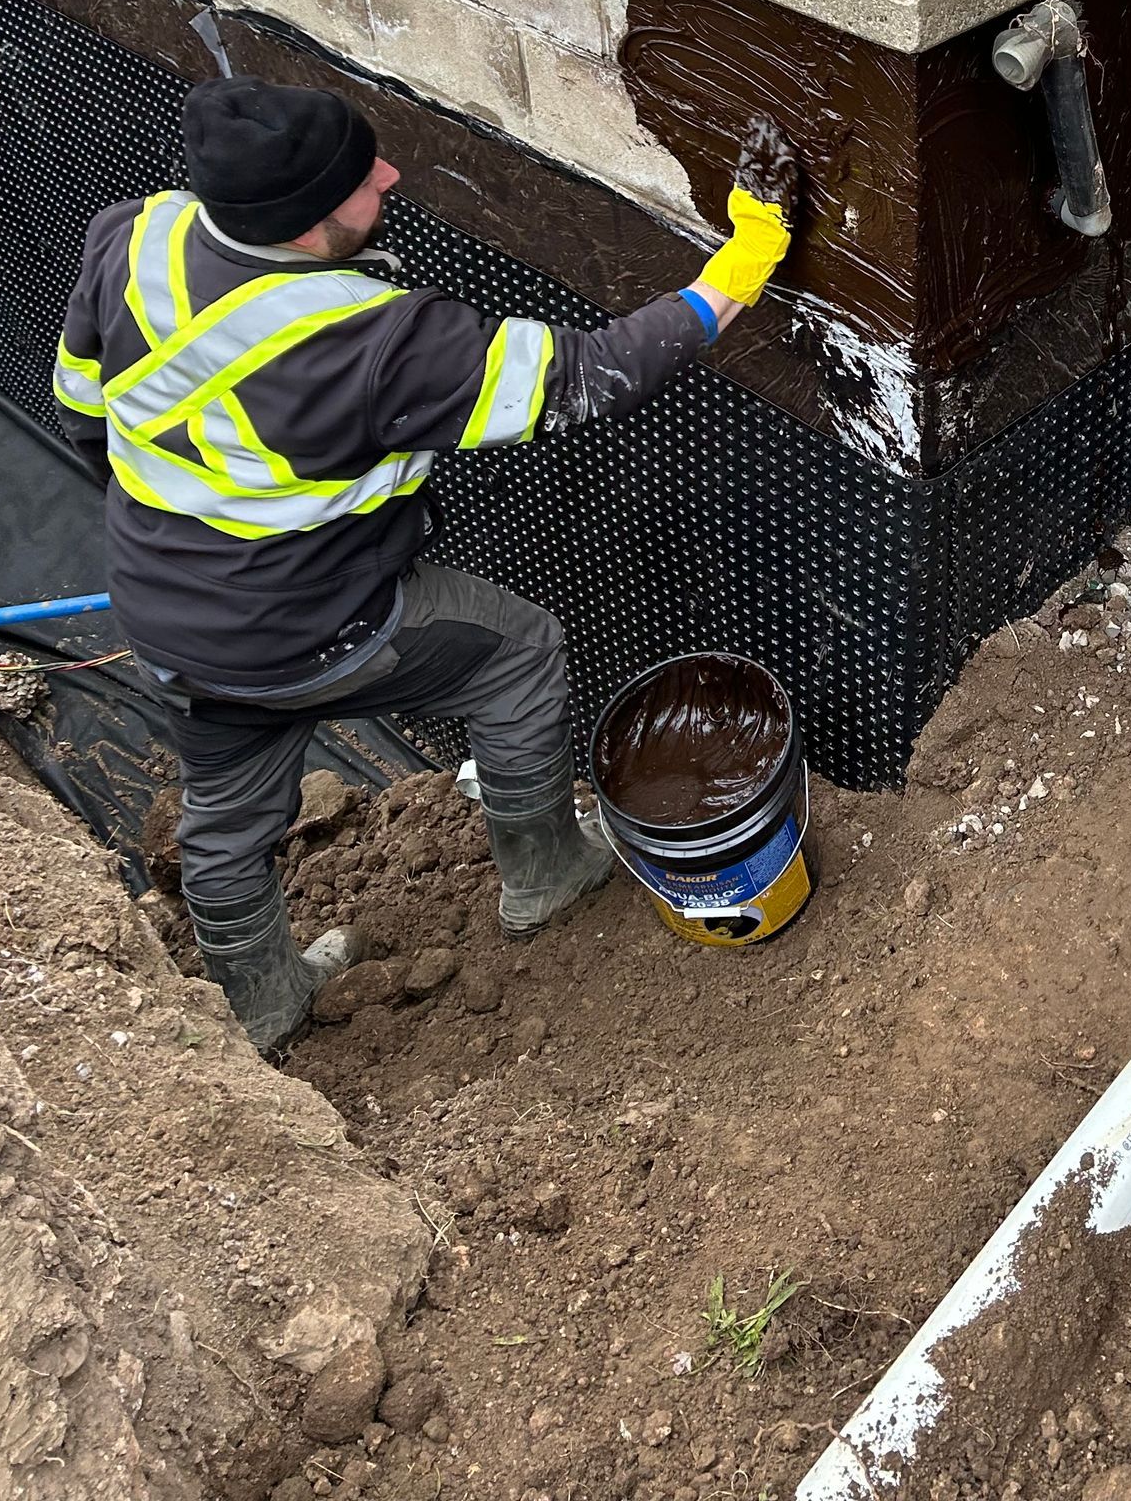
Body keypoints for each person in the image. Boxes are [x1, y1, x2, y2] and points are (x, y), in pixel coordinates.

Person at [51, 75, 798, 1052]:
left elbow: (79, 411)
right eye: (365, 179)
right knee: (519, 650)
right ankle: (545, 873)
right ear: (311, 226)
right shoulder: (371, 342)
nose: (393, 175)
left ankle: (263, 1005)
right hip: (315, 622)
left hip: (165, 617)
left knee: (227, 821)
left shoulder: (134, 235)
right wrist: (735, 272)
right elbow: (590, 374)